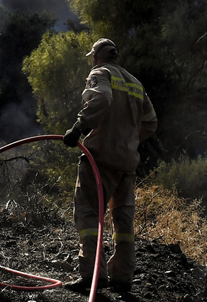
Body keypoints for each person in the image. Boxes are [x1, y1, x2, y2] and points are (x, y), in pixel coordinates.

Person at [63, 38, 158, 293]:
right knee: (123, 222)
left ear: (97, 57)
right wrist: (128, 139)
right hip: (126, 162)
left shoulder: (100, 73)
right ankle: (122, 277)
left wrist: (78, 127)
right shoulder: (135, 82)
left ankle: (92, 275)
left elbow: (102, 99)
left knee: (88, 214)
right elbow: (151, 122)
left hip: (100, 158)